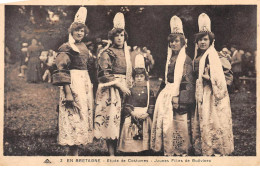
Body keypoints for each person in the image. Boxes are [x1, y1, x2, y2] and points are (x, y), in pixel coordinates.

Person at [52, 7, 94, 156]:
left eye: (82, 31)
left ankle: (75, 150)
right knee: (73, 113)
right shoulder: (66, 47)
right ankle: (72, 151)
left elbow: (89, 65)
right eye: (77, 30)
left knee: (82, 113)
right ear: (71, 31)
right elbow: (62, 70)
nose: (79, 33)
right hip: (72, 83)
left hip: (84, 83)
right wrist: (68, 92)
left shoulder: (83, 47)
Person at [151, 16, 195, 156]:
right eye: (171, 42)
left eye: (176, 41)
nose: (173, 44)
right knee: (166, 121)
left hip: (178, 94)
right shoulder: (170, 59)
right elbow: (166, 79)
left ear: (182, 43)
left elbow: (187, 81)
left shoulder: (186, 60)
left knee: (178, 121)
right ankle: (168, 147)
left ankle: (179, 149)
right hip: (168, 91)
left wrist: (180, 99)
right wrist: (160, 94)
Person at [192, 13, 234, 156]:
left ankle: (216, 148)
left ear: (211, 41)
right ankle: (206, 146)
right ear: (196, 42)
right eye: (200, 40)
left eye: (205, 39)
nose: (202, 42)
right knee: (204, 119)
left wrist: (210, 78)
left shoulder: (216, 56)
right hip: (202, 92)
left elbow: (226, 76)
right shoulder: (197, 57)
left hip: (213, 93)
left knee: (214, 120)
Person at [94, 12, 132, 156]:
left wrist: (127, 85)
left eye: (122, 35)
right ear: (112, 37)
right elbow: (104, 73)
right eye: (117, 35)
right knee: (111, 119)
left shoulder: (127, 53)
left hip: (125, 87)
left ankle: (122, 148)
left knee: (123, 118)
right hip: (112, 88)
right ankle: (111, 153)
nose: (120, 38)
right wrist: (118, 84)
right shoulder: (107, 52)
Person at [118, 54, 155, 155]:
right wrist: (132, 113)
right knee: (128, 125)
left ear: (145, 77)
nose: (139, 78)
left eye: (141, 76)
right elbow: (127, 104)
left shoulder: (149, 91)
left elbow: (151, 103)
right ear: (133, 78)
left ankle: (145, 148)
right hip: (133, 113)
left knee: (147, 127)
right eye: (137, 76)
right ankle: (131, 149)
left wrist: (147, 114)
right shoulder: (130, 90)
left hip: (144, 114)